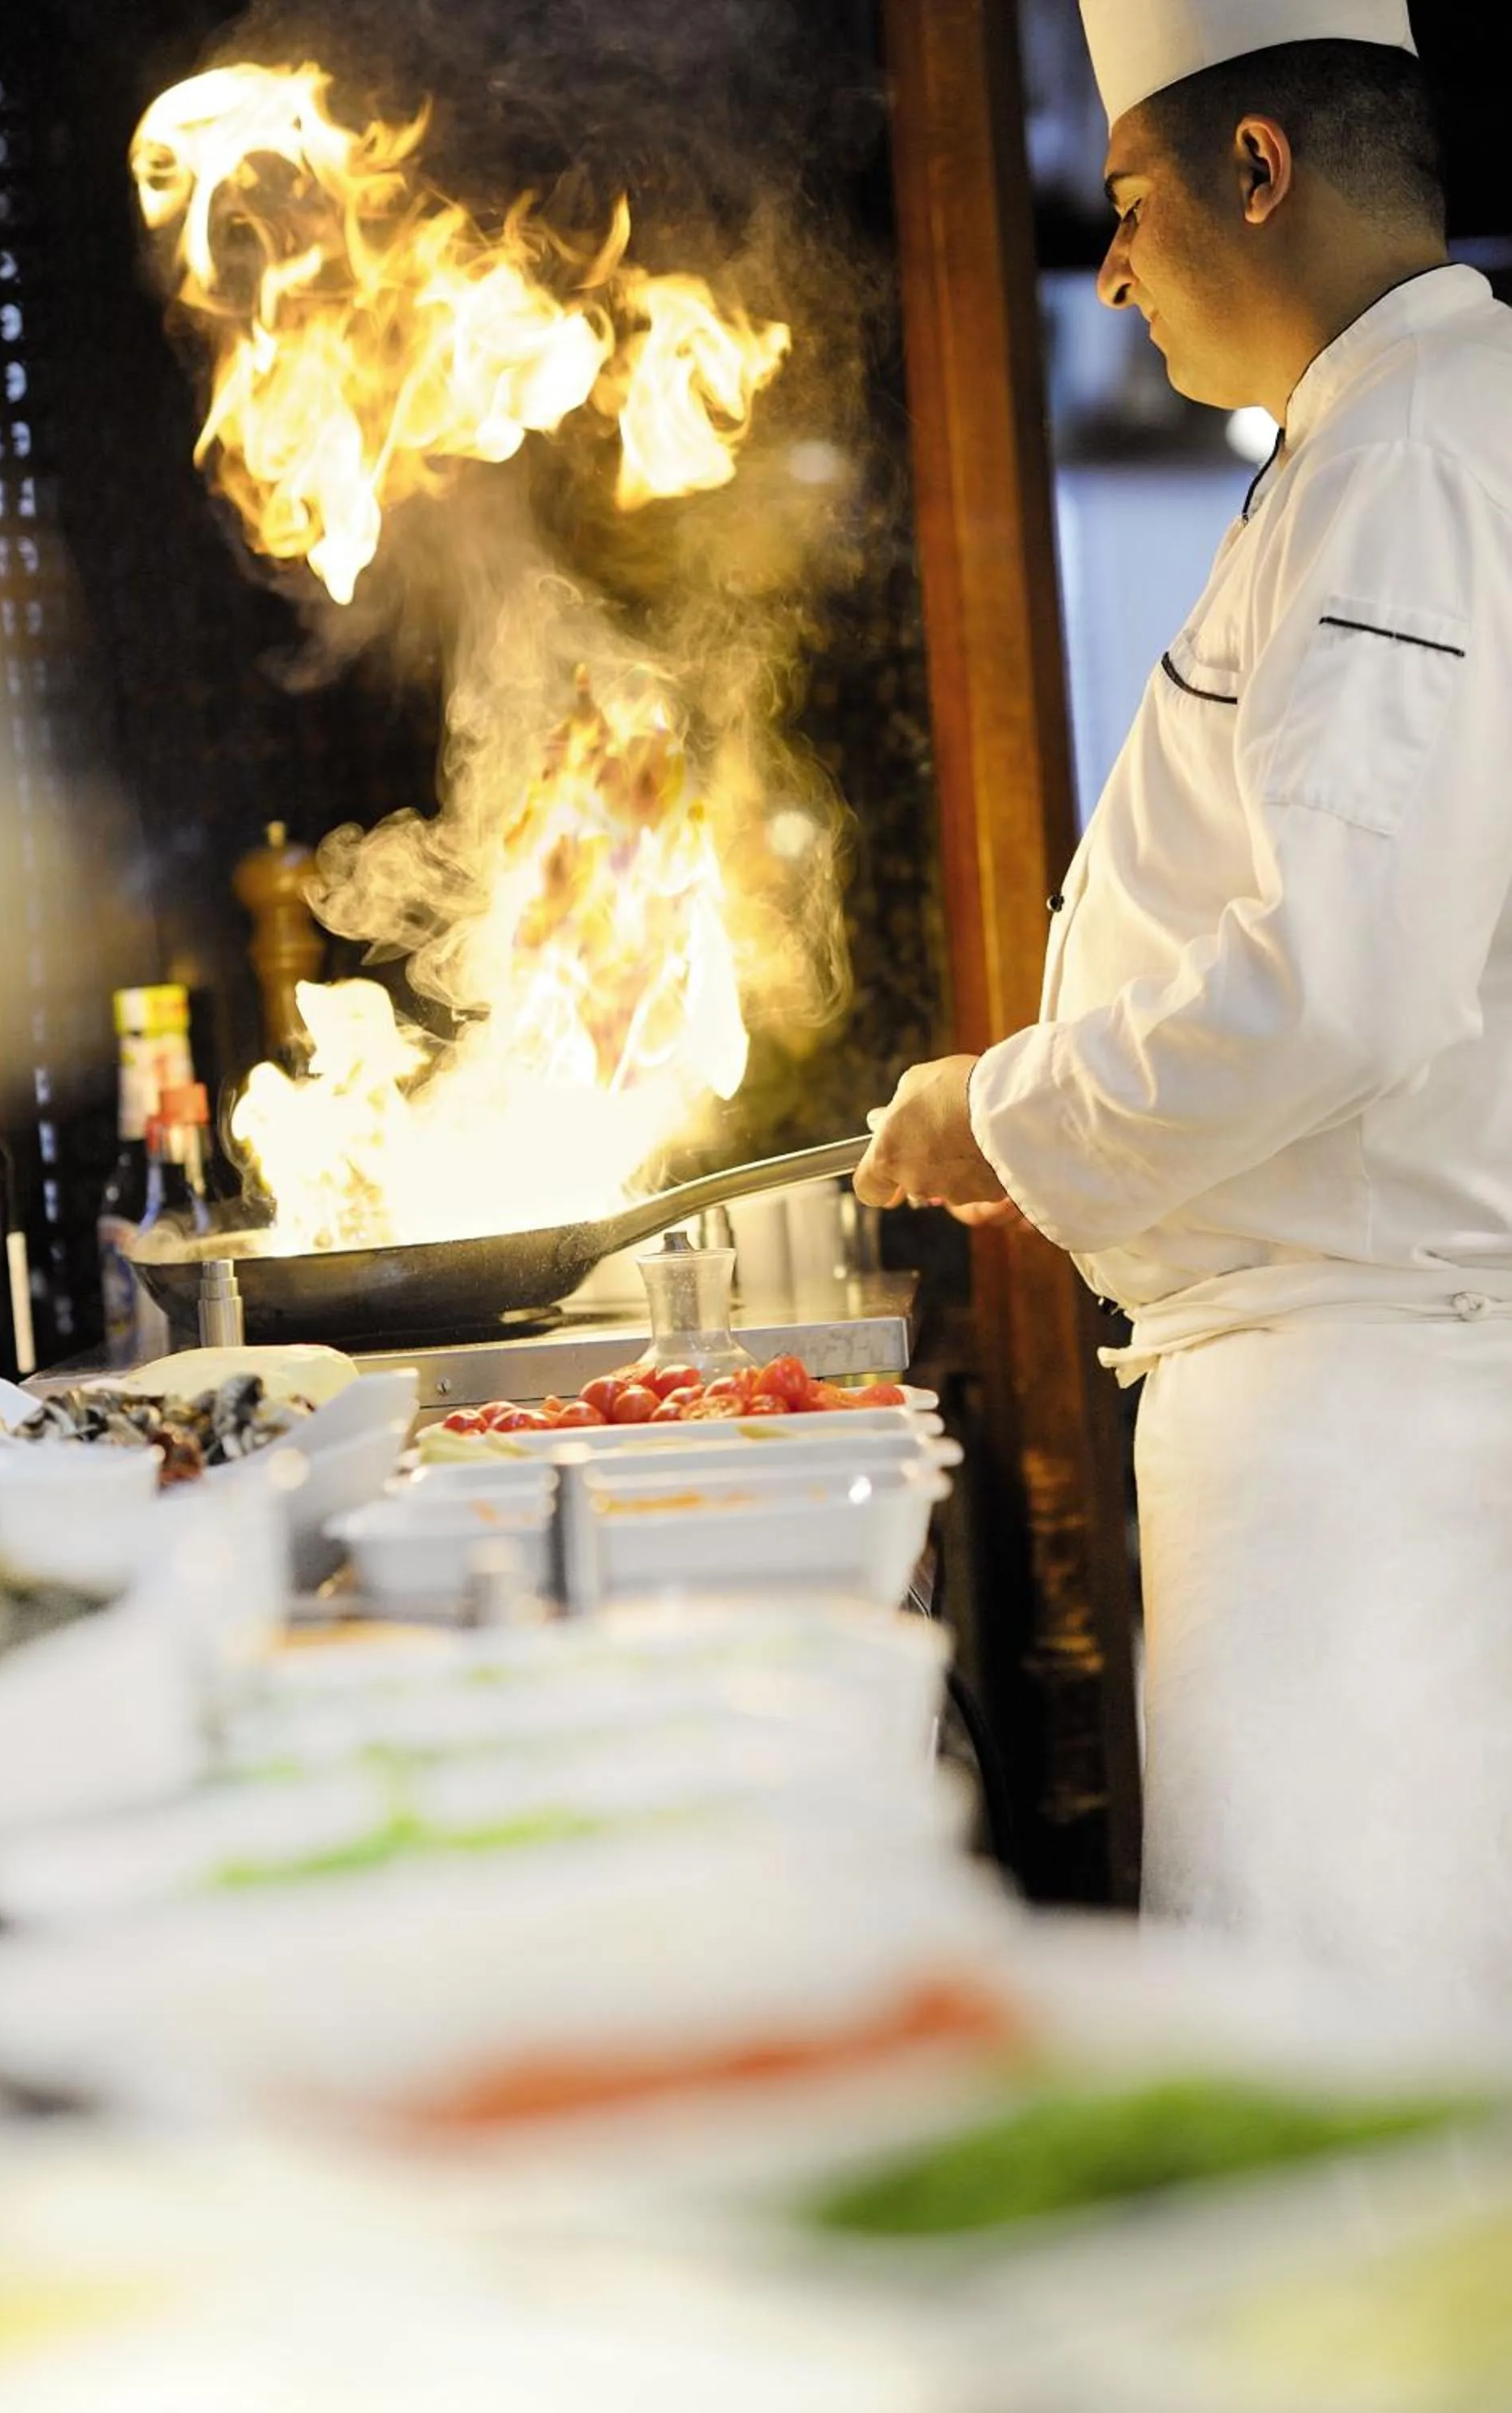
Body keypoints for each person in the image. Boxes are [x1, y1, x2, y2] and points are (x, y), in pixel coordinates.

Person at [856, 0, 1512, 2013]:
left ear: (1260, 170)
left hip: (1370, 1443)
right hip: (1338, 1405)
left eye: (1130, 203)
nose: (1113, 264)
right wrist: (1068, 1142)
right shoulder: (1372, 432)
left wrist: (1010, 1110)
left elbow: (1331, 985)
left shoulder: (1410, 440)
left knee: (1345, 2092)